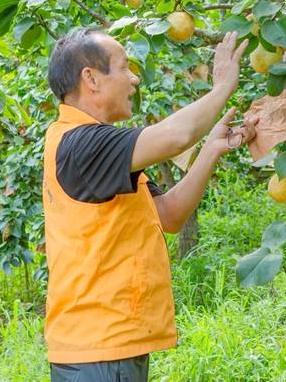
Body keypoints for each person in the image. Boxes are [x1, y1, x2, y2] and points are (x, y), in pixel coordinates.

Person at [41, 27, 257, 382]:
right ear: (91, 79)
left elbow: (169, 215)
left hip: (110, 346)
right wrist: (221, 89)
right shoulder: (81, 143)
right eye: (124, 67)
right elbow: (175, 136)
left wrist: (212, 149)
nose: (134, 78)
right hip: (99, 347)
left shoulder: (100, 152)